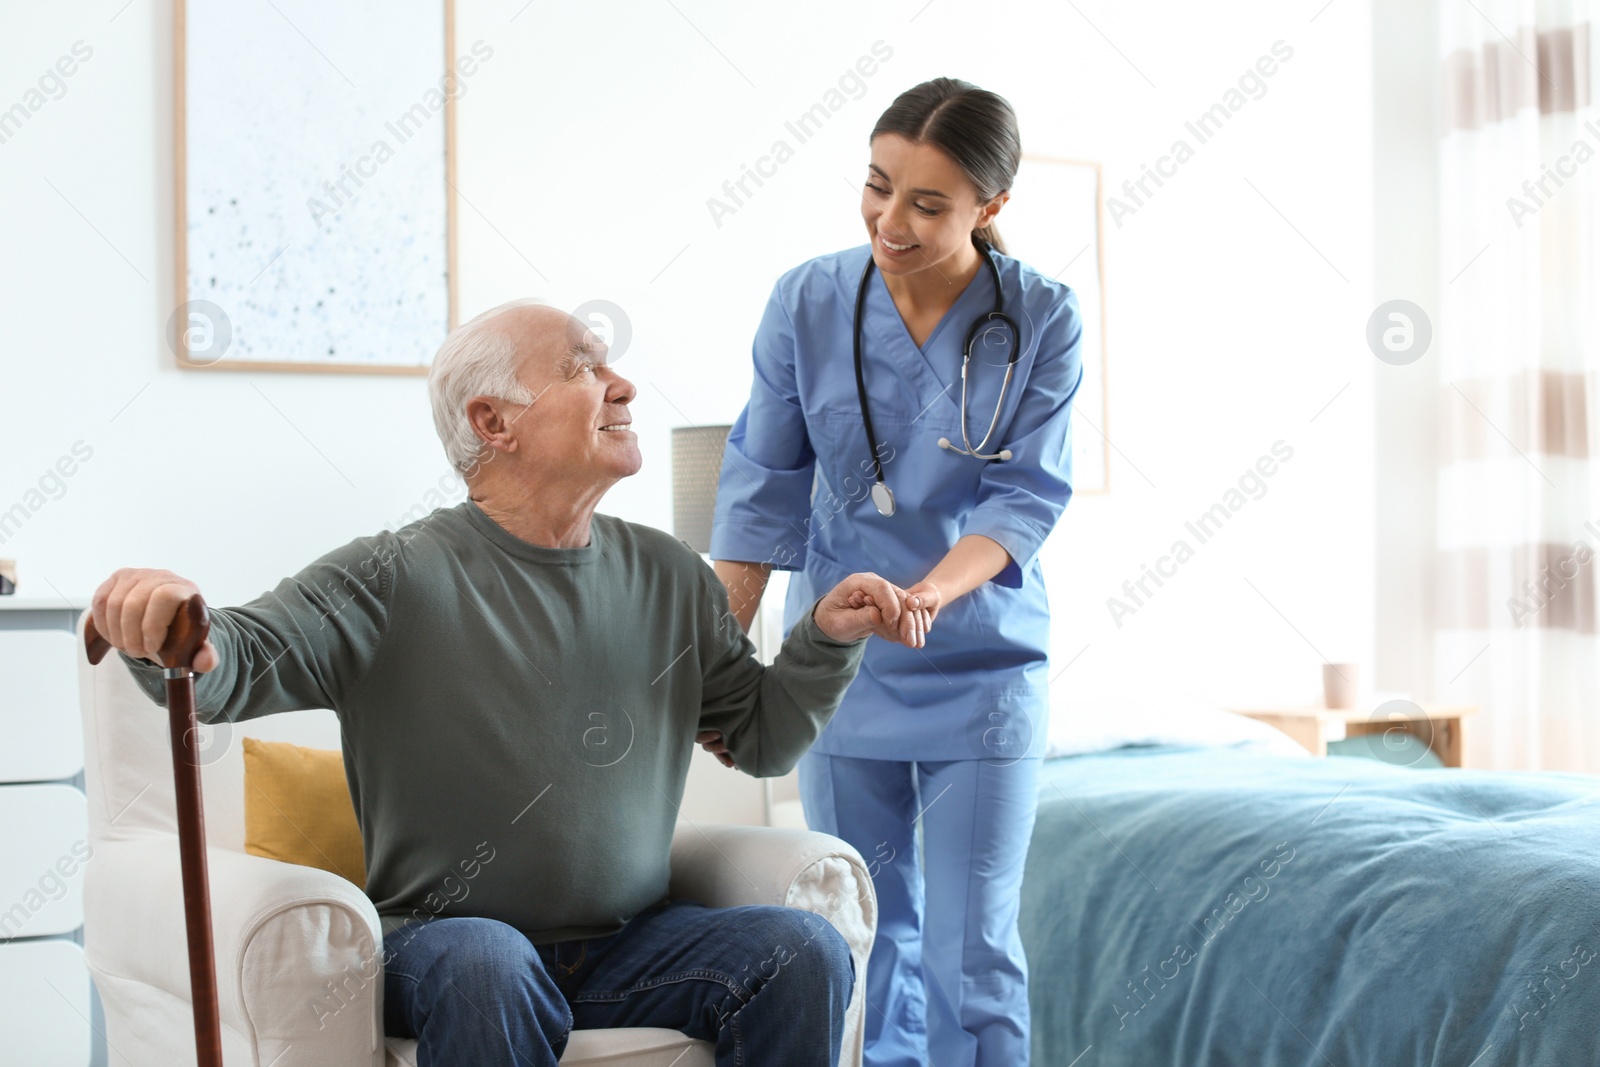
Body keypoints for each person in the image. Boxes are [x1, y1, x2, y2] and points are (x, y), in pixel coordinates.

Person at [90, 300, 925, 1067]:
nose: (623, 383)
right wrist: (165, 625)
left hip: (631, 943)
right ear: (493, 422)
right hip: (443, 944)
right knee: (488, 957)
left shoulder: (672, 576)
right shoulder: (394, 576)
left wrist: (824, 639)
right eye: (583, 367)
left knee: (801, 947)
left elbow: (762, 736)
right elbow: (233, 660)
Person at [701, 78, 1085, 1066]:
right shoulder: (808, 298)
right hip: (838, 661)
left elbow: (1025, 495)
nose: (892, 219)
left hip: (982, 661)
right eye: (878, 186)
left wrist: (931, 593)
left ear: (988, 208)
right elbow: (763, 478)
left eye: (928, 202)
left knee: (972, 952)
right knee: (866, 939)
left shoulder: (1041, 315)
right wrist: (719, 655)